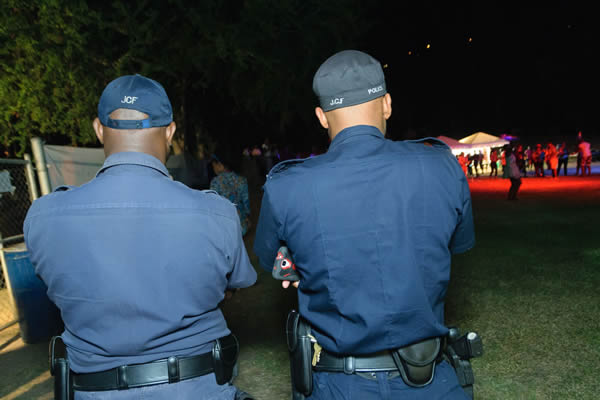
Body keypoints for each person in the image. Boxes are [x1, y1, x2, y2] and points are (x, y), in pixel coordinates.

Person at [254, 50, 474, 399]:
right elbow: (453, 245)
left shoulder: (286, 185)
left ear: (322, 118)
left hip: (338, 385)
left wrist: (299, 260)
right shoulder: (442, 167)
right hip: (429, 379)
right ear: (386, 104)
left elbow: (272, 262)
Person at [23, 74, 257, 399]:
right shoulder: (216, 214)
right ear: (171, 131)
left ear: (99, 129)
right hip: (197, 388)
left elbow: (53, 288)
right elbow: (232, 285)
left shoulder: (44, 217)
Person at [210, 146, 251, 236]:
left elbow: (214, 205)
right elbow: (246, 203)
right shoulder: (242, 180)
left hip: (225, 227)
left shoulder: (215, 183)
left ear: (220, 165)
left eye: (214, 166)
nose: (213, 168)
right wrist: (247, 216)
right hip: (242, 225)